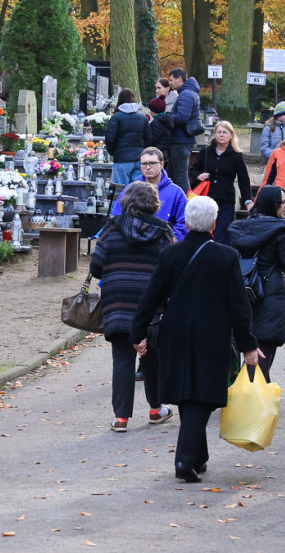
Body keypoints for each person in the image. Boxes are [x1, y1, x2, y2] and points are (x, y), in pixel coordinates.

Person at [129, 195, 262, 483]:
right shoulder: (226, 256)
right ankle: (185, 460)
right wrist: (249, 344)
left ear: (187, 222)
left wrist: (138, 333)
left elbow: (150, 295)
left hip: (175, 332)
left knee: (191, 394)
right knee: (201, 396)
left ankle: (198, 457)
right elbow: (238, 306)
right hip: (212, 334)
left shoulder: (171, 254)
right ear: (214, 223)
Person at [91, 181, 176, 432]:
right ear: (154, 203)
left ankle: (121, 418)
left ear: (126, 201)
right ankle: (155, 409)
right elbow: (171, 267)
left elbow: (96, 266)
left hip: (117, 302)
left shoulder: (111, 227)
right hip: (151, 306)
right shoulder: (163, 230)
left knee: (122, 359)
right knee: (153, 358)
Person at [227, 186, 285, 381]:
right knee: (264, 349)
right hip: (271, 295)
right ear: (273, 204)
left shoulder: (241, 228)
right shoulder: (281, 231)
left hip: (243, 292)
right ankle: (252, 401)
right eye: (283, 202)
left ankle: (250, 393)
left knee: (246, 347)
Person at [188, 121, 252, 244]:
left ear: (231, 135)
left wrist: (247, 201)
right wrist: (199, 176)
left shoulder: (236, 156)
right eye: (219, 132)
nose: (221, 135)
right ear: (215, 134)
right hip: (206, 200)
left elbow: (244, 180)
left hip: (226, 201)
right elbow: (193, 170)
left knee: (223, 236)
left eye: (225, 132)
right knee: (205, 234)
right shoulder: (206, 151)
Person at [112, 147, 187, 241]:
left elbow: (183, 223)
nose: (148, 167)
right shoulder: (130, 189)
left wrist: (170, 242)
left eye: (152, 163)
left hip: (163, 246)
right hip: (132, 244)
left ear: (162, 164)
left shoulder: (176, 192)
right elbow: (116, 216)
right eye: (144, 164)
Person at [166, 68, 201, 192]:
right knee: (172, 176)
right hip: (182, 140)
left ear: (179, 79)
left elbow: (182, 117)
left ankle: (187, 206)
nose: (169, 83)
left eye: (171, 80)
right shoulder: (189, 93)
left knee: (180, 177)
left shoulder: (186, 94)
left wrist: (167, 117)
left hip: (181, 141)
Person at [105, 89, 151, 185]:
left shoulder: (116, 117)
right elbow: (149, 139)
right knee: (137, 191)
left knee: (118, 192)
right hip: (139, 159)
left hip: (122, 159)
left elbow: (110, 138)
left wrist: (113, 152)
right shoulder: (142, 118)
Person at [147, 97, 174, 164]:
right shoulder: (167, 120)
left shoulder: (157, 123)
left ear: (154, 111)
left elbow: (152, 139)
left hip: (157, 153)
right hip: (165, 153)